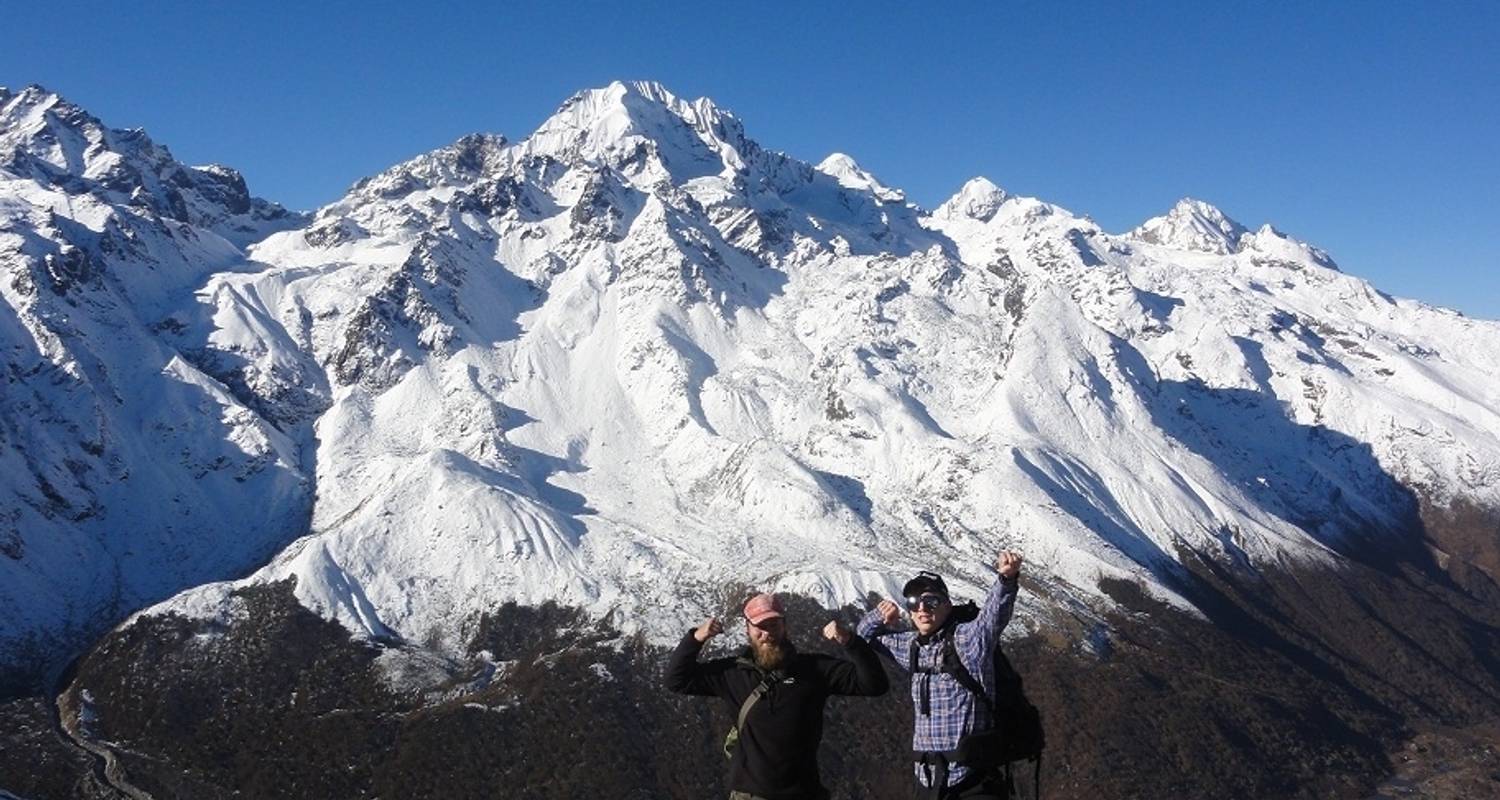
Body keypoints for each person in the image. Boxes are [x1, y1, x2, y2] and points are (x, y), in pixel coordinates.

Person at [665, 592, 890, 800]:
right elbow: (677, 680)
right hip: (750, 795)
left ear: (785, 627)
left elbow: (874, 685)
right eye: (760, 627)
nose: (767, 634)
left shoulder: (814, 669)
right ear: (747, 629)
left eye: (774, 625)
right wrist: (696, 638)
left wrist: (850, 641)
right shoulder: (732, 674)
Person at [857, 551, 1024, 799]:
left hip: (973, 779)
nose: (922, 608)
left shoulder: (968, 640)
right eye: (914, 602)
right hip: (928, 780)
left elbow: (993, 616)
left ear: (947, 606)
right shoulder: (910, 646)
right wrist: (878, 615)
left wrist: (1006, 579)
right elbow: (863, 638)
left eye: (931, 602)